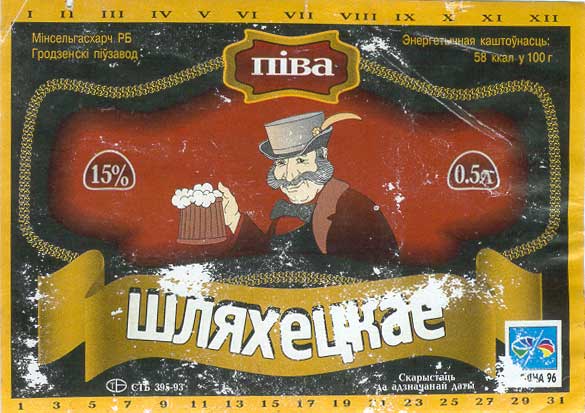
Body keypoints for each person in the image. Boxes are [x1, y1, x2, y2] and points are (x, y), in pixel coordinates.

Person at [218, 111, 398, 263]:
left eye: (301, 161)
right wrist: (233, 218)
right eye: (281, 163)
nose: (289, 176)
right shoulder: (285, 212)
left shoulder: (357, 211)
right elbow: (269, 263)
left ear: (323, 156)